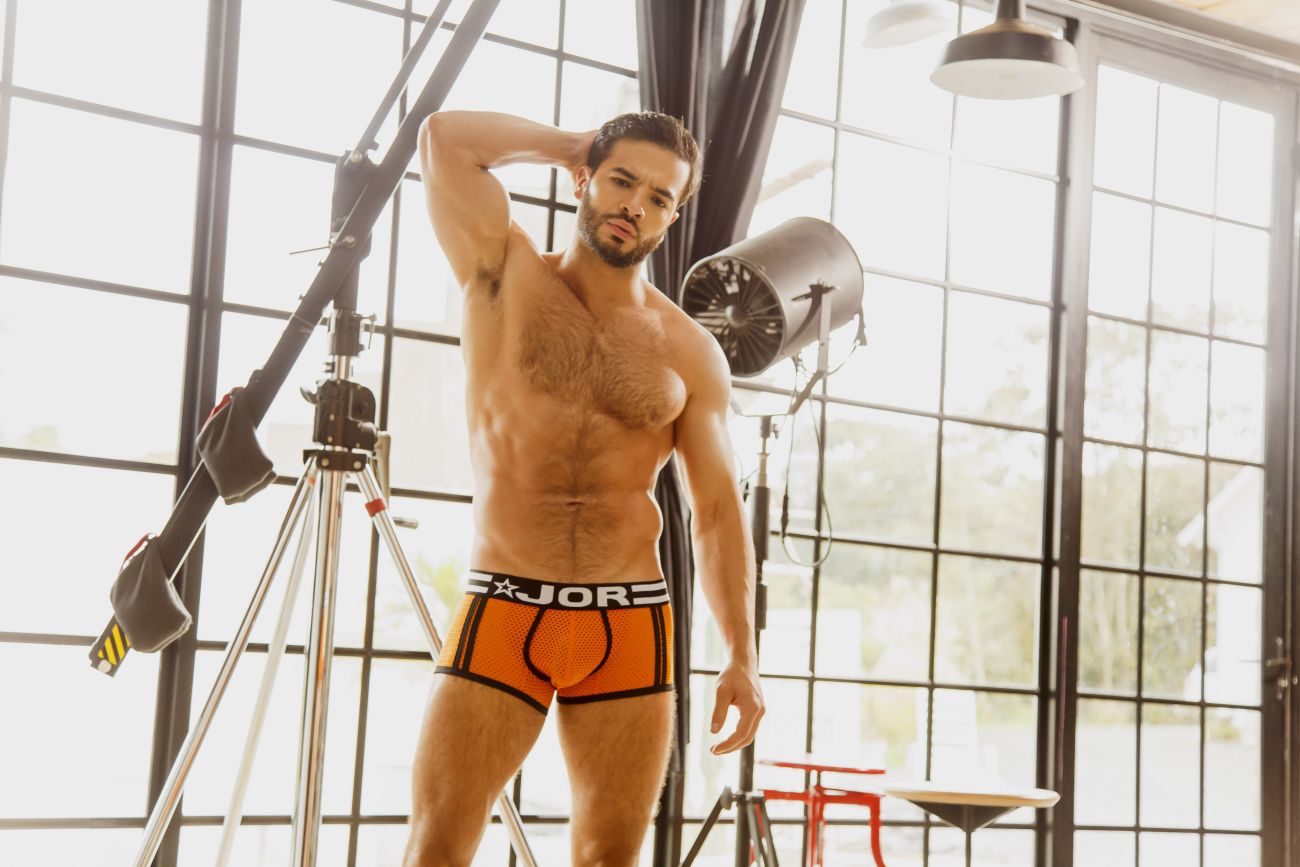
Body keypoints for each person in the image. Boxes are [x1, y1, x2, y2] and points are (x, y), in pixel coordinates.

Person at [404, 109, 763, 867]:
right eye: (622, 180)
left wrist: (742, 655)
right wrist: (574, 144)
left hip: (628, 622)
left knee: (609, 859)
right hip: (505, 605)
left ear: (673, 216)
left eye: (660, 198)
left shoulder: (690, 351)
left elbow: (717, 511)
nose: (636, 205)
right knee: (437, 847)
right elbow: (443, 139)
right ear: (584, 180)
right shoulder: (501, 271)